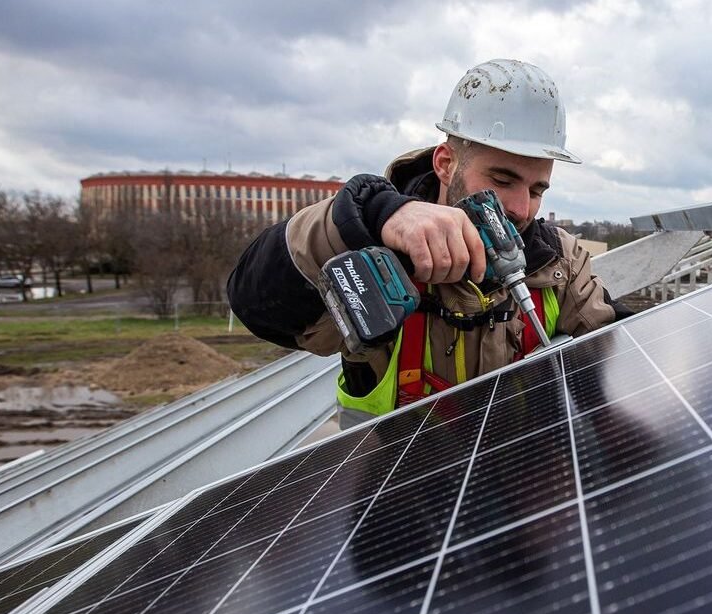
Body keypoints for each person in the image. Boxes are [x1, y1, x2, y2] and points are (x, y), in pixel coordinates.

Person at [227, 59, 631, 428]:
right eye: (502, 181)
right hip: (390, 491)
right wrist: (370, 216)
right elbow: (258, 303)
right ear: (445, 163)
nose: (522, 209)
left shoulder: (556, 261)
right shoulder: (376, 260)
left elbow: (620, 359)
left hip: (520, 490)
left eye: (538, 189)